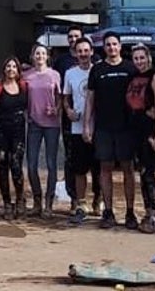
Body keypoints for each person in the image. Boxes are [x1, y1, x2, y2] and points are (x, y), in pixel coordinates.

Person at [83, 32, 135, 229]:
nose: (112, 48)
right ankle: (108, 211)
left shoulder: (130, 68)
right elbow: (90, 99)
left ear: (120, 46)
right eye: (108, 45)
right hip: (103, 127)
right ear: (103, 48)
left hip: (126, 128)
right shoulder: (97, 70)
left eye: (115, 44)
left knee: (128, 169)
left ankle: (130, 212)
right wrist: (87, 125)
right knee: (105, 168)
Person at [124, 44, 155, 233]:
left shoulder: (154, 76)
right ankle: (147, 212)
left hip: (149, 128)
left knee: (149, 173)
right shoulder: (133, 77)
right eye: (136, 58)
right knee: (141, 172)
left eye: (142, 57)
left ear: (148, 57)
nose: (139, 61)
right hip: (134, 128)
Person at [62, 36, 100, 224]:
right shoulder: (70, 74)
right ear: (75, 53)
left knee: (99, 167)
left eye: (86, 51)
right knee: (79, 168)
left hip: (99, 127)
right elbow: (65, 98)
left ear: (92, 51)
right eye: (80, 51)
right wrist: (68, 110)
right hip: (77, 128)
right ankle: (81, 202)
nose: (83, 54)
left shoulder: (99, 70)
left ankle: (99, 200)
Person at [22, 44, 62, 218]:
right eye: (37, 53)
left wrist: (57, 109)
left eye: (43, 53)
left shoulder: (55, 75)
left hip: (52, 124)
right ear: (32, 56)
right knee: (31, 165)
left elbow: (61, 97)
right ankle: (37, 200)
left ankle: (49, 202)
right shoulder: (26, 76)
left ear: (47, 56)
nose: (40, 56)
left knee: (51, 164)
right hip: (33, 124)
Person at [0, 56, 28, 219]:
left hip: (18, 131)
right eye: (8, 66)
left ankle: (20, 199)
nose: (11, 69)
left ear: (18, 70)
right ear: (4, 69)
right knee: (3, 166)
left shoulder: (24, 86)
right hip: (0, 131)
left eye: (14, 67)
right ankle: (7, 203)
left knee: (16, 165)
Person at [53, 26, 84, 214]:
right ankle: (74, 198)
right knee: (71, 158)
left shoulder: (93, 60)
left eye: (76, 37)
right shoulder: (61, 61)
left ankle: (96, 198)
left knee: (95, 160)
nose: (73, 39)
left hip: (91, 118)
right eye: (70, 37)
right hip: (68, 118)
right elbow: (56, 87)